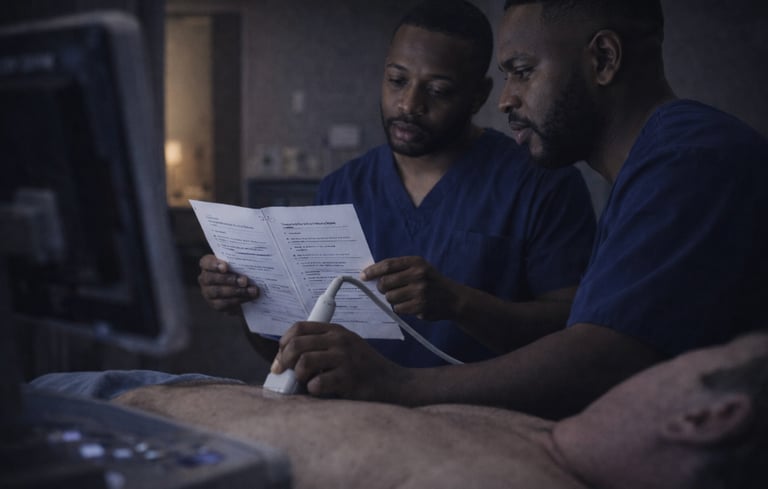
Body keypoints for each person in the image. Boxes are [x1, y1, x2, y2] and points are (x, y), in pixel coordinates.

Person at [270, 0, 768, 418]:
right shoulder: (649, 171)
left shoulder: (692, 158)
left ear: (604, 59)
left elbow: (601, 356)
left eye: (523, 72)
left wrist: (401, 386)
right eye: (397, 80)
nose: (507, 99)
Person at [198, 0, 596, 367]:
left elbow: (572, 333)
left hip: (479, 422)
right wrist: (246, 306)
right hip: (355, 421)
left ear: (479, 96)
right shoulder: (341, 190)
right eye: (396, 80)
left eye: (437, 90)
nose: (408, 104)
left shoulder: (542, 184)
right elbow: (293, 353)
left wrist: (459, 303)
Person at [95, 332, 767, 489]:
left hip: (102, 431)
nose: (670, 355)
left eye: (698, 356)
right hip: (152, 390)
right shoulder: (552, 440)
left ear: (706, 417)